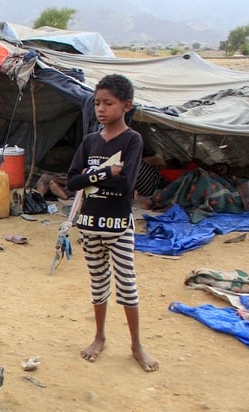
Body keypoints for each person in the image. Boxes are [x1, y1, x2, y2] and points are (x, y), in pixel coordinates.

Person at [66, 74, 159, 372]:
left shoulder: (132, 140)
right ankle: (99, 337)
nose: (101, 109)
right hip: (89, 225)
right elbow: (72, 181)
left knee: (127, 286)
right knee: (98, 285)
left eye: (108, 103)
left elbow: (127, 185)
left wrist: (91, 179)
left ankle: (136, 345)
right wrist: (107, 173)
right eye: (97, 103)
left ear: (126, 106)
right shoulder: (90, 141)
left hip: (118, 226)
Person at [135, 145, 249, 220]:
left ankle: (159, 202)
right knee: (196, 173)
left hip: (237, 201)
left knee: (203, 184)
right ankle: (156, 199)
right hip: (235, 189)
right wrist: (229, 176)